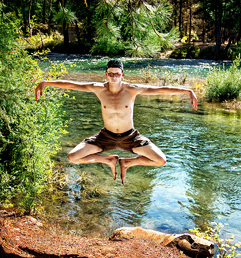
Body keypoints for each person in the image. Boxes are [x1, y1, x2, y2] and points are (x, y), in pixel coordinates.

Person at [35, 59, 198, 184]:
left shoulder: (131, 89)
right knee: (73, 157)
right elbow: (72, 85)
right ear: (106, 74)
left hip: (130, 137)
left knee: (161, 160)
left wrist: (187, 90)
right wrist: (46, 82)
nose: (114, 77)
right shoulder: (98, 88)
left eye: (117, 74)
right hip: (106, 136)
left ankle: (127, 163)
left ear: (122, 74)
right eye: (111, 74)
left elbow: (159, 89)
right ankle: (108, 159)